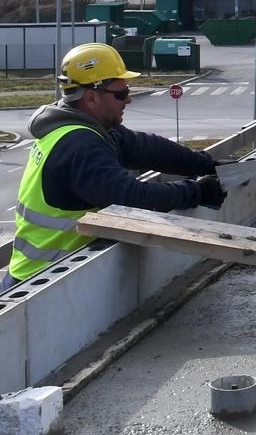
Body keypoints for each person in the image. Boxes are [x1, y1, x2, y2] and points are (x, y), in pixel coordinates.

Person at [5, 43, 226, 289]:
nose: (129, 99)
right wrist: (197, 192)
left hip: (54, 275)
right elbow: (130, 198)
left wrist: (206, 164)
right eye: (121, 93)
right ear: (91, 98)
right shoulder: (80, 144)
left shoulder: (85, 129)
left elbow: (147, 147)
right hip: (43, 284)